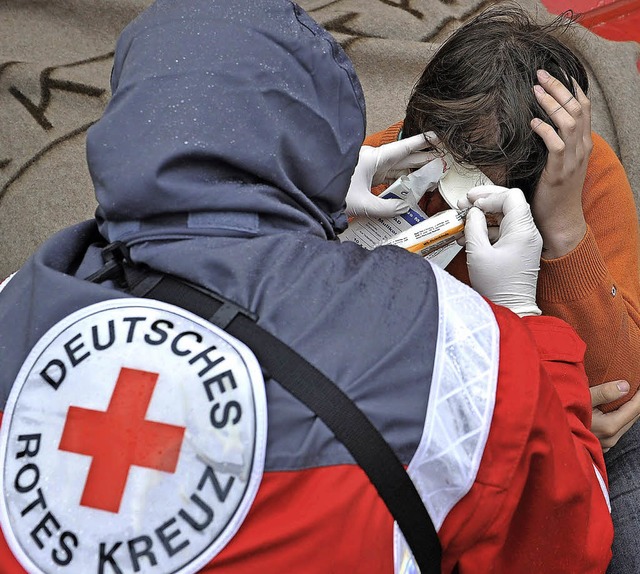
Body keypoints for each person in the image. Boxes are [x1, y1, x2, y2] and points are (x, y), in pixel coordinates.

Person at [0, 1, 612, 572]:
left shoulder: (17, 298)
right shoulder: (453, 345)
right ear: (320, 129)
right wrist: (521, 321)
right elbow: (571, 531)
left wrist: (320, 214)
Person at [361, 5, 640, 572]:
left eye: (495, 164)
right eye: (454, 154)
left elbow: (620, 383)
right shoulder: (384, 169)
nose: (468, 186)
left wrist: (564, 231)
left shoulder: (580, 175)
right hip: (445, 415)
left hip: (575, 421)